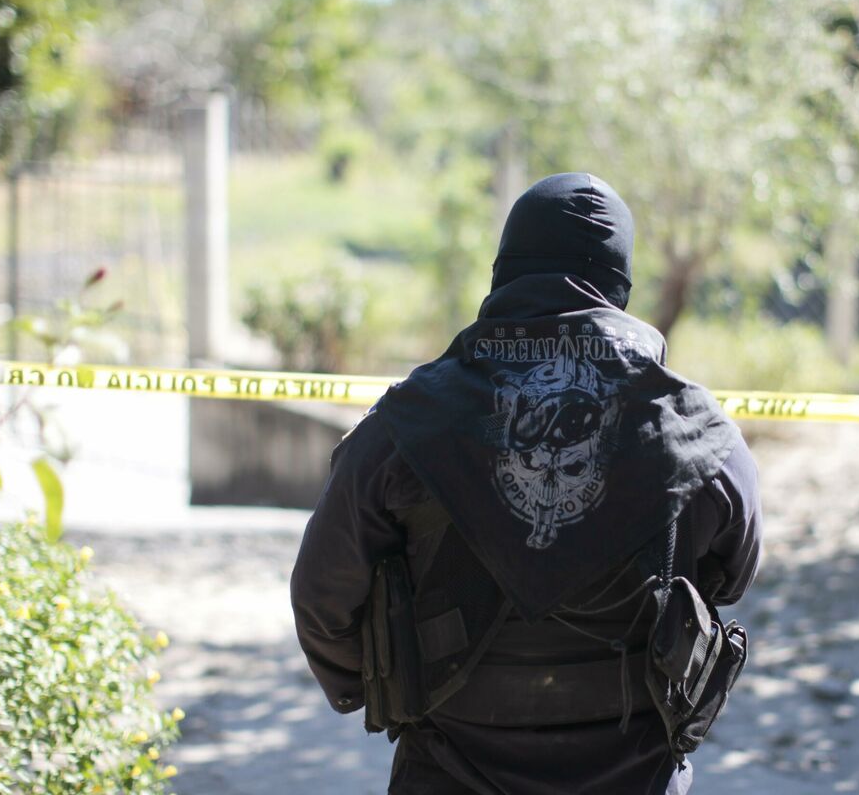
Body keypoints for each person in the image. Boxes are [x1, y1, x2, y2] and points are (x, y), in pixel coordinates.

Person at [291, 172, 762, 794]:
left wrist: (376, 686)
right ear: (619, 285)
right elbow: (733, 574)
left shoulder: (406, 422)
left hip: (446, 773)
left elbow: (324, 597)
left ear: (506, 269)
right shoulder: (696, 427)